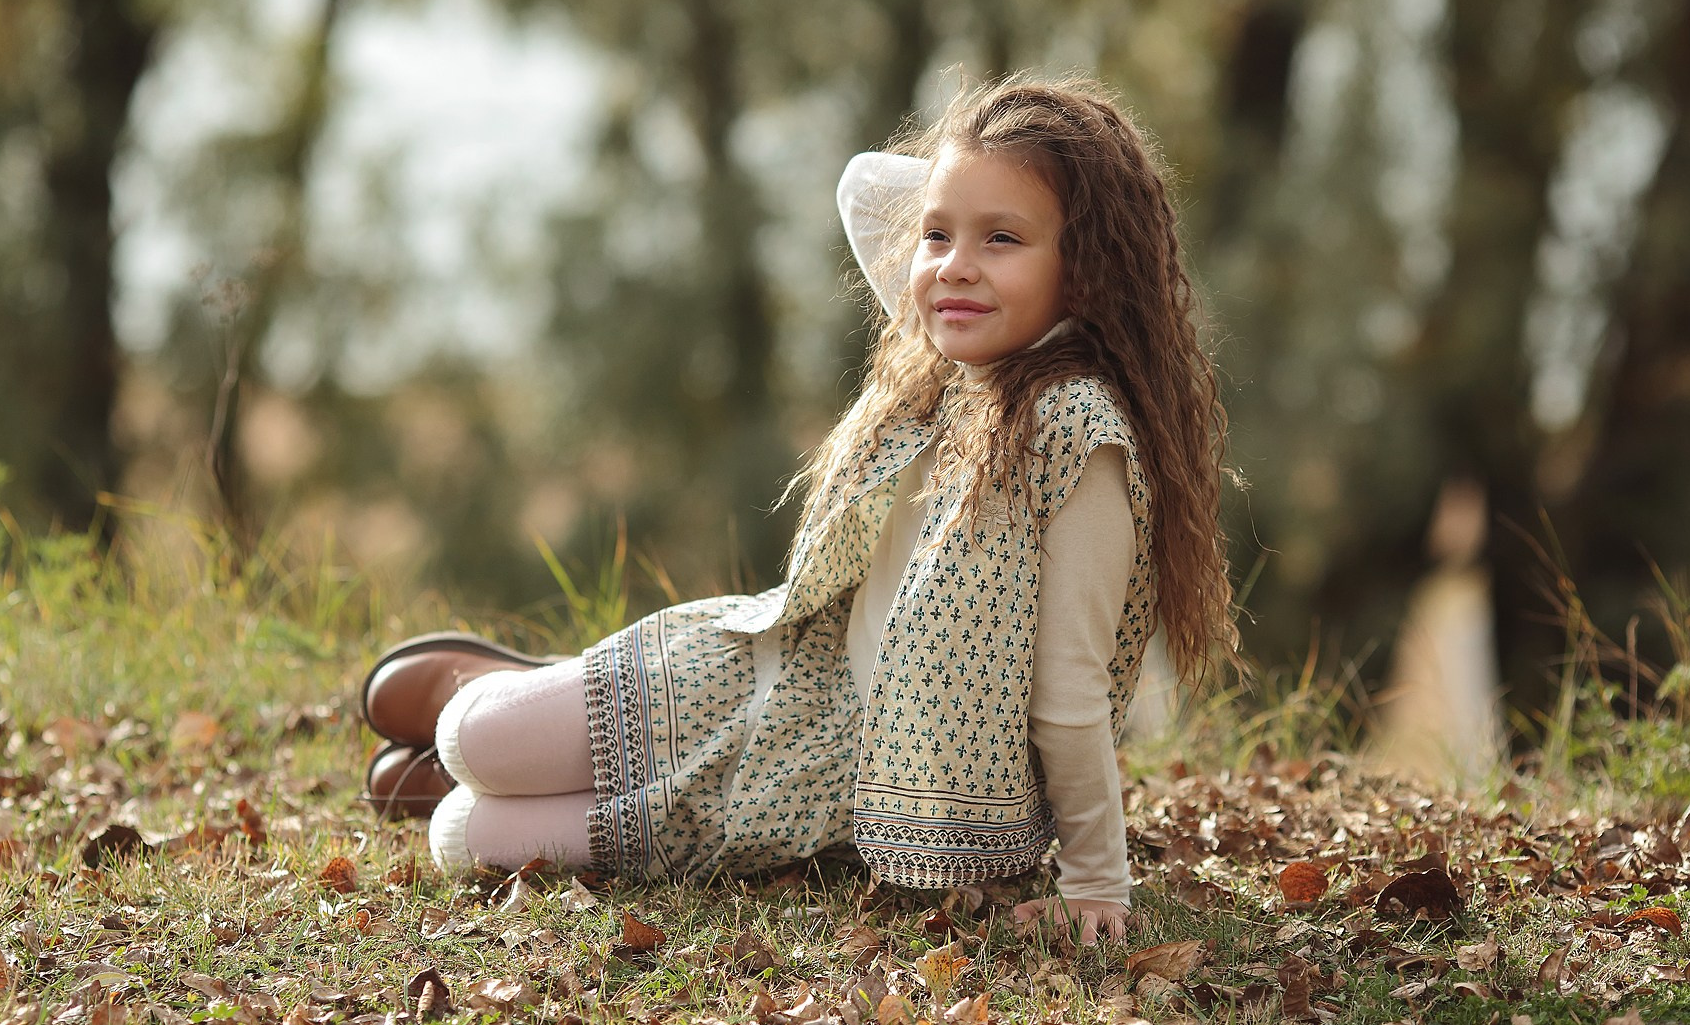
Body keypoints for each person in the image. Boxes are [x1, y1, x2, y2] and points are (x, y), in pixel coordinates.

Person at [359, 76, 1237, 946]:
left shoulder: (1078, 435)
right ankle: (518, 691)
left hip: (837, 771)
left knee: (460, 836)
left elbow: (1073, 694)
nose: (953, 265)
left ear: (1087, 268)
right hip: (781, 663)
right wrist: (970, 197)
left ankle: (488, 759)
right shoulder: (953, 369)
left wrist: (1094, 879)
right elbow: (870, 191)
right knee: (475, 733)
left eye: (1002, 238)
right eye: (936, 234)